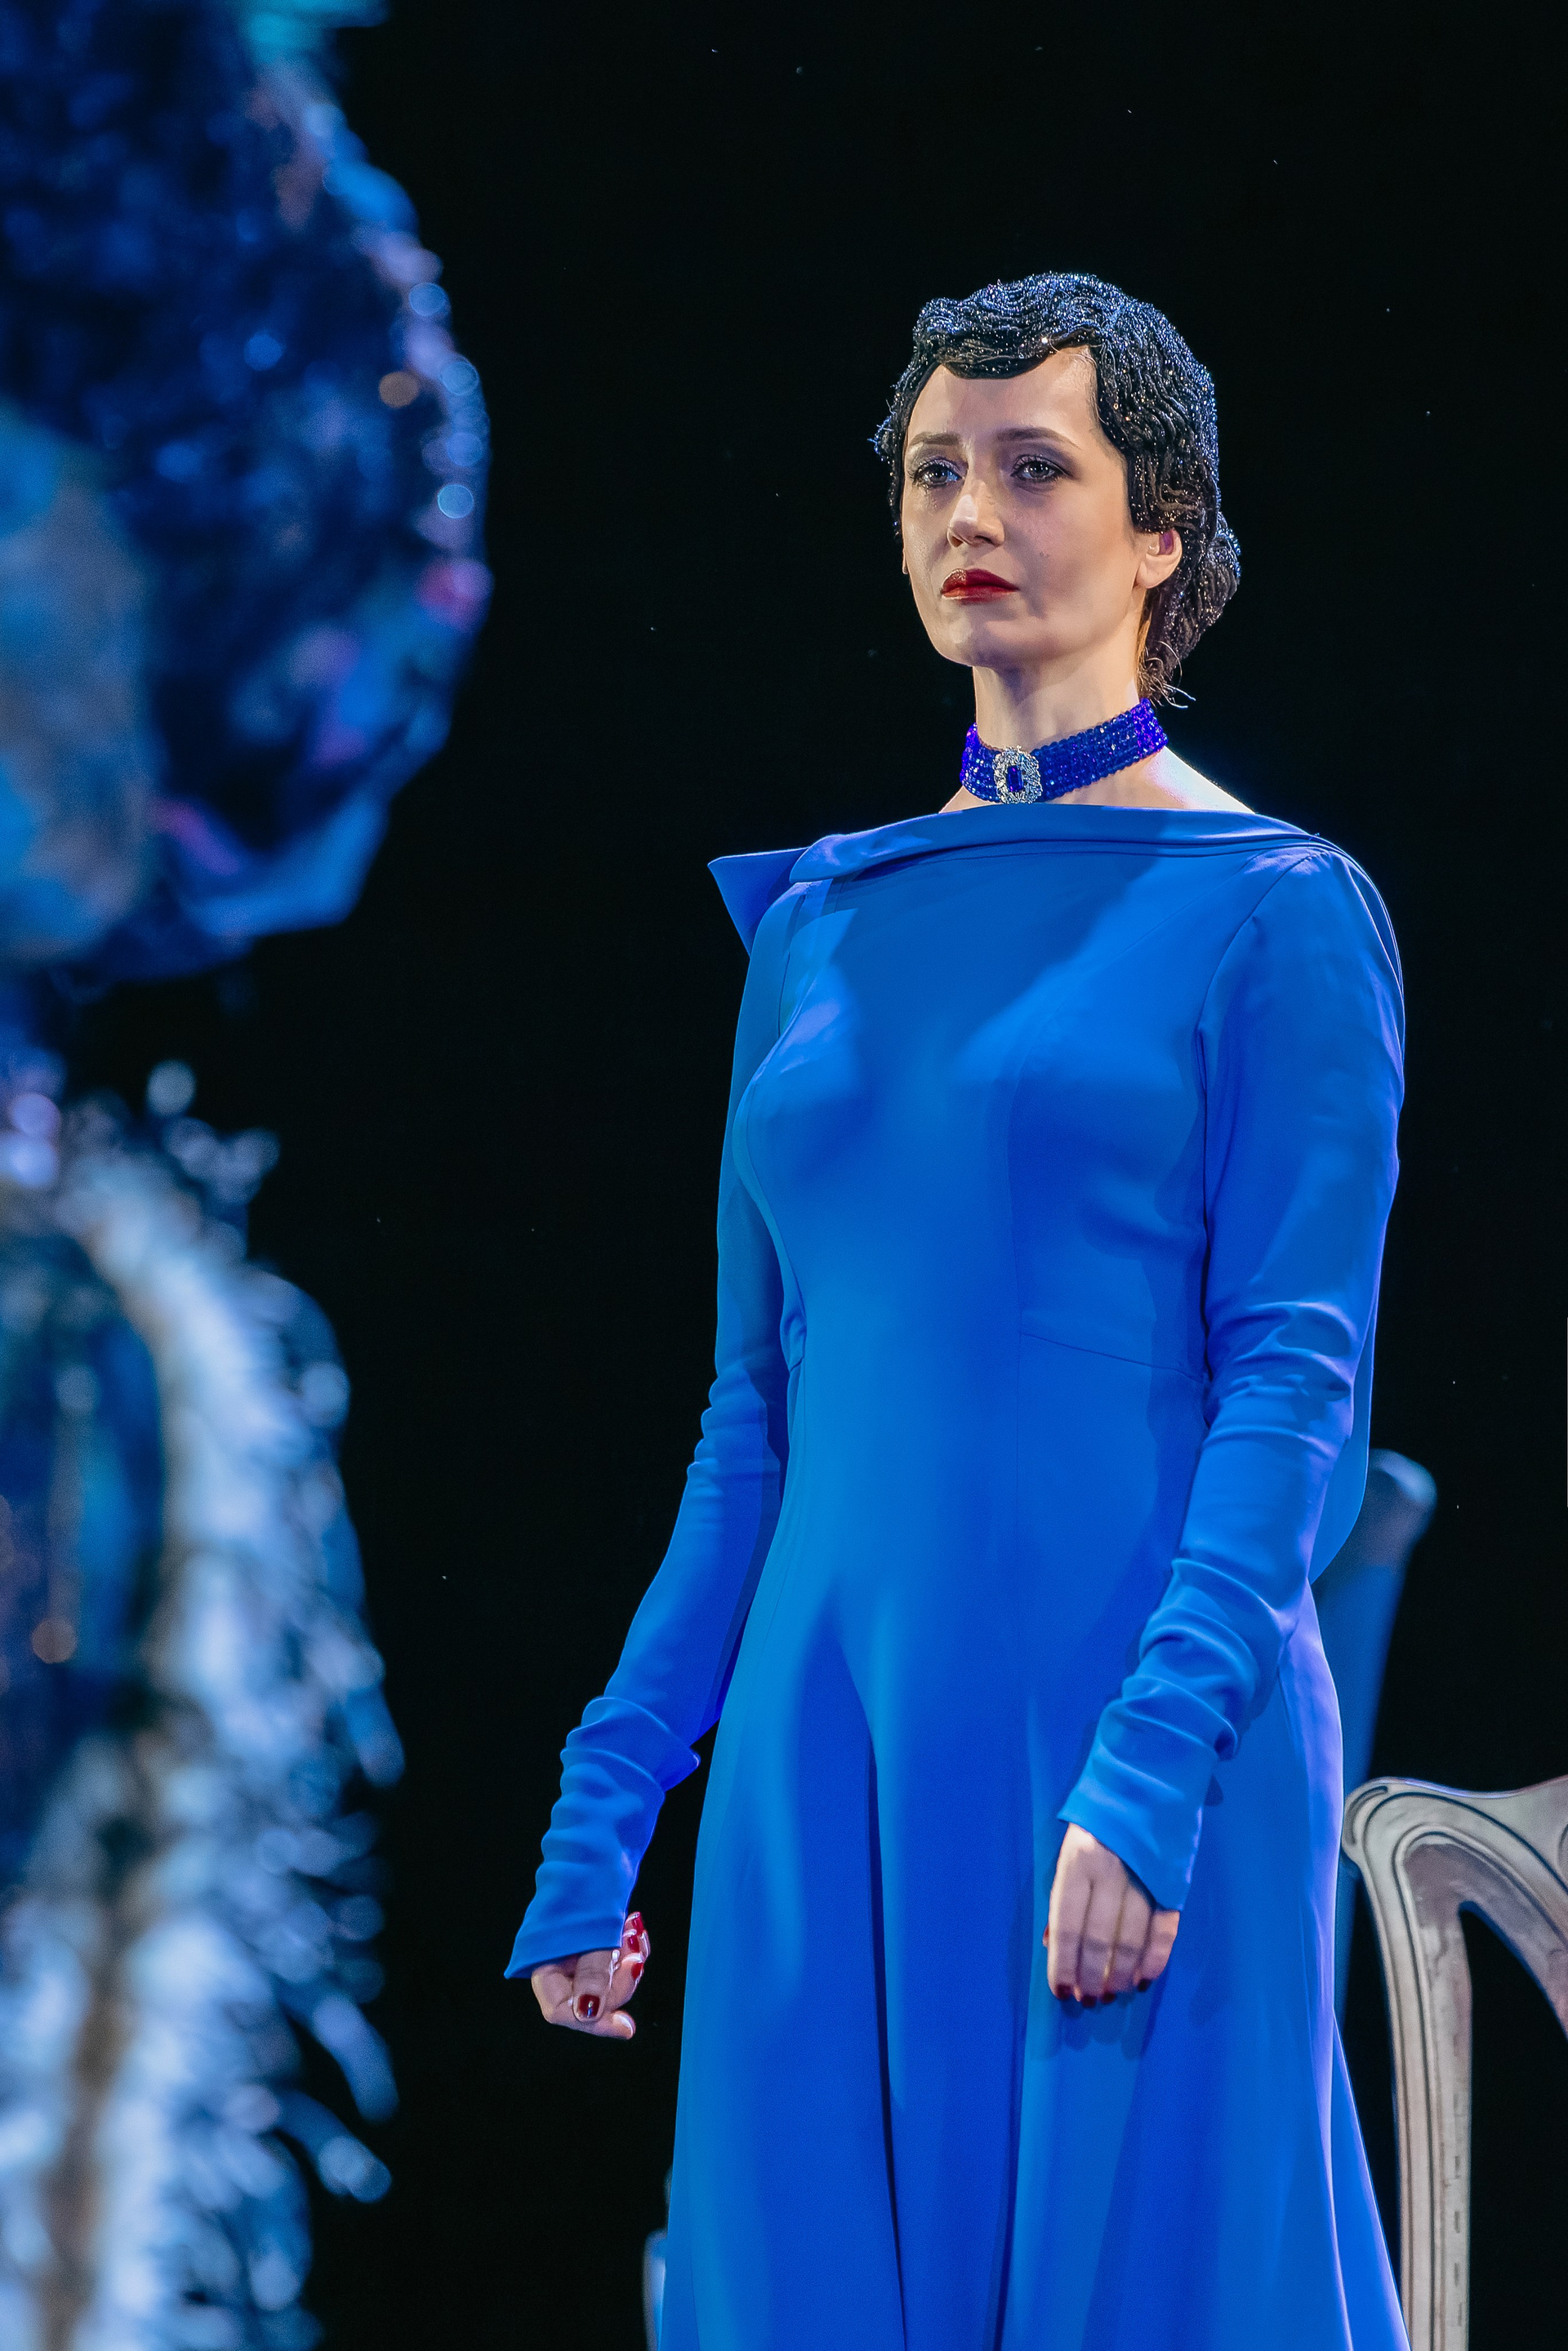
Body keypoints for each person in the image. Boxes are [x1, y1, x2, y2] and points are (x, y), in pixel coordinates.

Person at [509, 273, 1409, 2351]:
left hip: (1129, 1725)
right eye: (932, 472)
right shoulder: (820, 923)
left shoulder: (1276, 909)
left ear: (1163, 531)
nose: (967, 514)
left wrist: (1151, 1772)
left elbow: (1297, 1385)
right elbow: (752, 1417)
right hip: (830, 1739)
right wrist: (608, 1796)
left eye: (1031, 467)